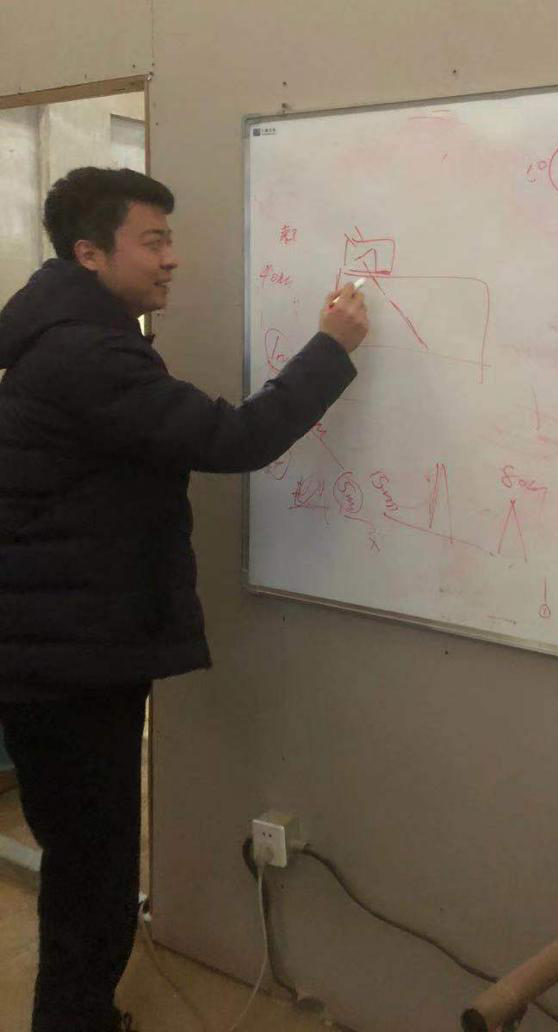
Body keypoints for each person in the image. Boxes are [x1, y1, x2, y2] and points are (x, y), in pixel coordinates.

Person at [0, 167, 367, 1032]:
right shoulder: (88, 356)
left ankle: (78, 1011)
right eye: (154, 241)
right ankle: (73, 1020)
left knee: (81, 854)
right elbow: (235, 438)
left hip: (57, 640)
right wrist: (332, 347)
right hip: (67, 655)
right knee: (93, 864)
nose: (173, 259)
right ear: (90, 254)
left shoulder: (62, 334)